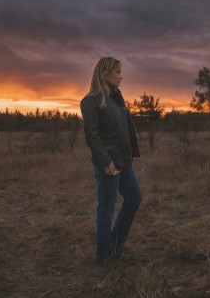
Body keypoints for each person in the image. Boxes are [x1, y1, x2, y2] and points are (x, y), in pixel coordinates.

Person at [80, 56, 142, 265]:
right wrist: (105, 161)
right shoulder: (91, 100)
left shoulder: (116, 99)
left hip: (123, 161)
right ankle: (104, 257)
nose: (121, 76)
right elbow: (92, 135)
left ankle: (114, 246)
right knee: (106, 209)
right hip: (107, 163)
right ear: (104, 72)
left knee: (134, 199)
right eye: (117, 72)